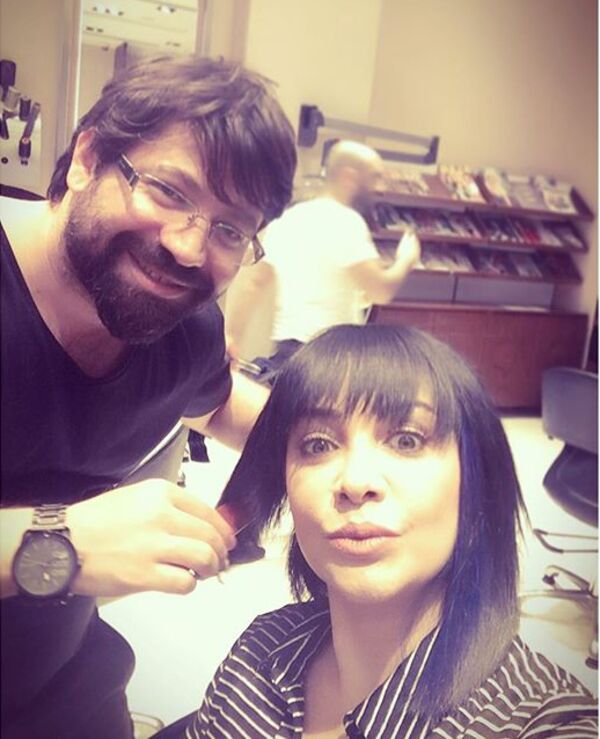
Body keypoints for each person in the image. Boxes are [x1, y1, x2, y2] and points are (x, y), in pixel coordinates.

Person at [0, 54, 296, 738]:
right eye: (167, 190)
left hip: (65, 687)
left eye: (229, 229)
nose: (190, 249)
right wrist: (59, 543)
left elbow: (218, 403)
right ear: (88, 159)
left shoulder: (182, 329)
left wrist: (354, 446)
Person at [184, 324, 597, 738]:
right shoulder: (261, 653)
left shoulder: (545, 722)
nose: (355, 481)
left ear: (477, 485)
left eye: (406, 441)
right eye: (318, 444)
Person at [224, 139, 421, 372]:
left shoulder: (290, 218)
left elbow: (254, 284)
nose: (380, 188)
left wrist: (230, 340)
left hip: (288, 353)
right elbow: (381, 291)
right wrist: (406, 259)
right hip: (331, 355)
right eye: (374, 177)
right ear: (349, 177)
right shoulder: (347, 222)